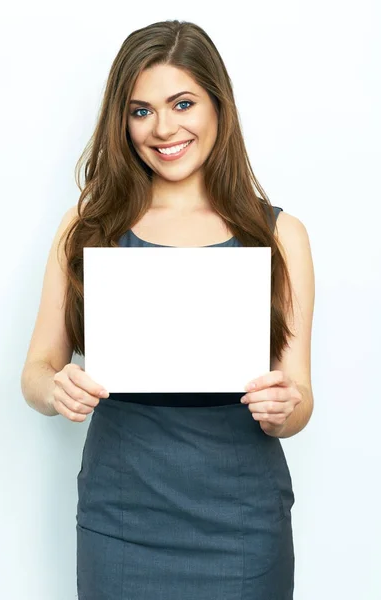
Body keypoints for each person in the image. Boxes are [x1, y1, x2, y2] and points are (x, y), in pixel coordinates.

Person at [21, 19, 315, 600]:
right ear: (122, 121)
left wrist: (284, 407)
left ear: (217, 107)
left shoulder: (280, 235)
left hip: (242, 521)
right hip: (121, 520)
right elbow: (36, 370)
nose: (163, 128)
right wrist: (57, 390)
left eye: (183, 103)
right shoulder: (88, 227)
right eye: (140, 111)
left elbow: (300, 399)